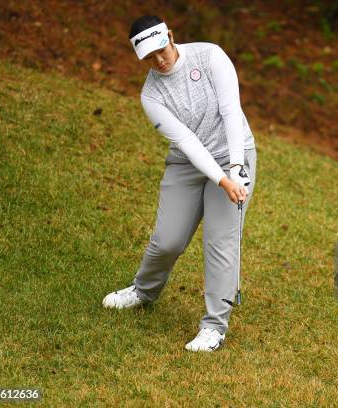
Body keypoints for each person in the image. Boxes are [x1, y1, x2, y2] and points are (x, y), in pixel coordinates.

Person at [101, 15, 257, 353]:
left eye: (161, 50)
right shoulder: (151, 96)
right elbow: (188, 142)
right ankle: (144, 291)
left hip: (234, 153)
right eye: (149, 58)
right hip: (187, 164)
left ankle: (214, 327)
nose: (159, 61)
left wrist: (233, 169)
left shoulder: (210, 56)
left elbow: (231, 112)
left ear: (170, 36)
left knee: (221, 242)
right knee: (167, 240)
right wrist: (219, 179)